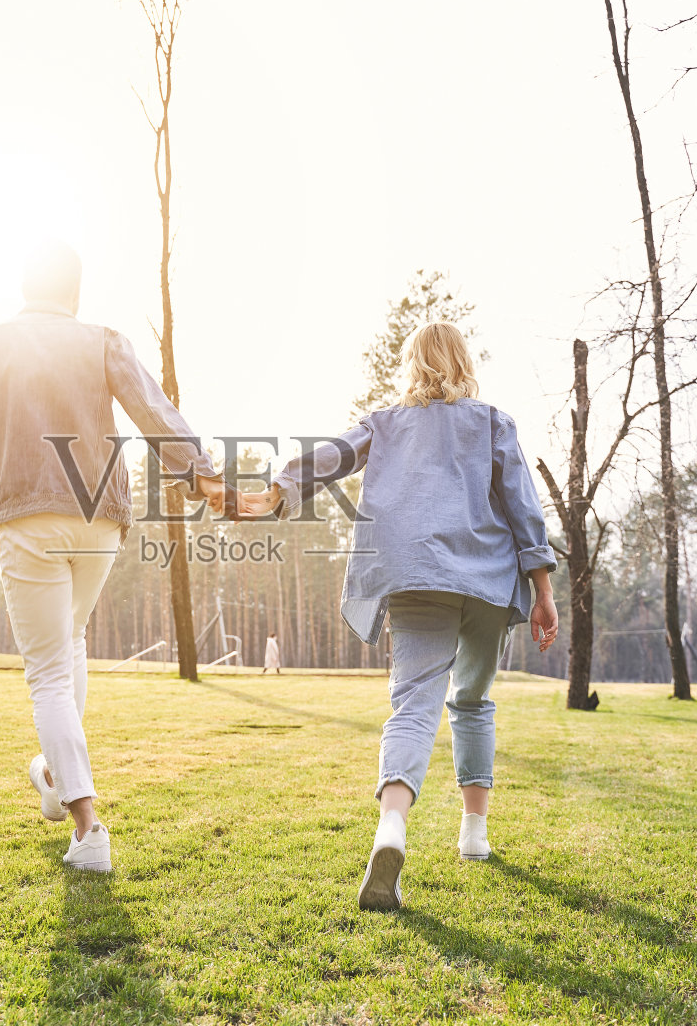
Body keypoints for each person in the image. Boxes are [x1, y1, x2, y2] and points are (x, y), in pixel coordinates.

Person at [239, 320, 557, 911]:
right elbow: (522, 504)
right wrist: (542, 587)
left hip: (415, 574)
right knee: (472, 699)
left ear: (413, 364)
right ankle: (474, 833)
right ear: (464, 362)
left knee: (413, 704)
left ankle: (392, 825)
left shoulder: (384, 423)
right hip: (487, 579)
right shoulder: (492, 421)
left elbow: (332, 456)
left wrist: (279, 488)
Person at [0, 240, 227, 874]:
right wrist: (202, 474)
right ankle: (55, 774)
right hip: (99, 521)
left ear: (23, 286)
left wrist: (18, 479)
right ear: (75, 292)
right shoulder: (103, 340)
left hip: (28, 513)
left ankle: (88, 829)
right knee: (72, 640)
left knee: (49, 674)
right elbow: (153, 412)